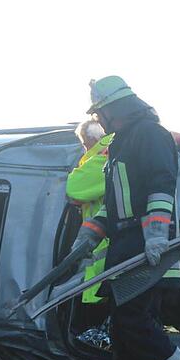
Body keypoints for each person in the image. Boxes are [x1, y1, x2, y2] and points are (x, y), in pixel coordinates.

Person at [70, 76, 180, 360]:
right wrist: (88, 237)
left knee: (136, 326)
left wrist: (157, 236)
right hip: (127, 246)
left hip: (149, 251)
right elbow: (115, 208)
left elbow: (161, 187)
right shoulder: (120, 144)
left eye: (101, 113)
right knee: (124, 330)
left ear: (117, 108)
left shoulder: (149, 135)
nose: (99, 120)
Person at [66, 120, 114, 322]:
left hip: (103, 254)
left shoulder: (104, 155)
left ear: (94, 139)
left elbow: (74, 188)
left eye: (85, 144)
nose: (84, 149)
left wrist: (87, 159)